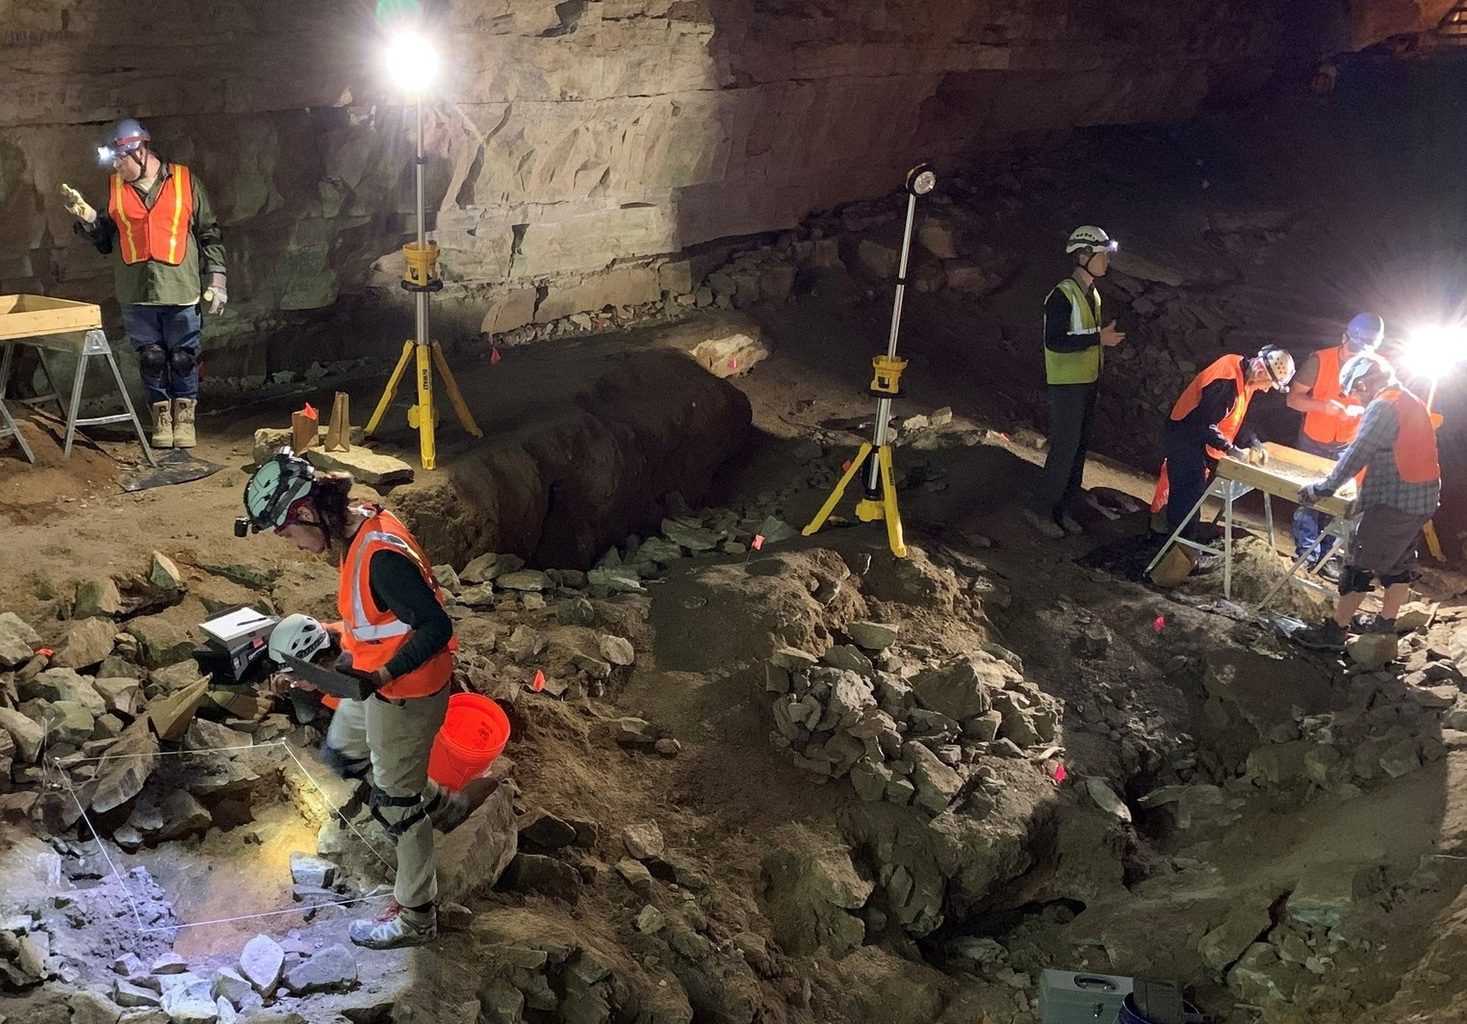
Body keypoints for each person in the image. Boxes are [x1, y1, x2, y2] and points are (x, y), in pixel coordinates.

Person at [241, 453, 487, 949]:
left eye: (287, 533)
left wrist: (382, 675)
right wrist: (329, 646)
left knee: (395, 804)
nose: (289, 545)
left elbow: (437, 627)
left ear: (307, 513)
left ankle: (417, 916)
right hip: (375, 682)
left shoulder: (382, 558)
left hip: (406, 694)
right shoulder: (359, 531)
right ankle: (441, 806)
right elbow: (373, 624)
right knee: (343, 751)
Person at [62, 118, 226, 449]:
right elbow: (108, 241)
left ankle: (186, 418)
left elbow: (208, 232)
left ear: (140, 151)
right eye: (115, 160)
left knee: (182, 356)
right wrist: (90, 220)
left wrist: (218, 280)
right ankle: (161, 419)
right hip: (136, 292)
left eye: (121, 159)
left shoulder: (184, 181)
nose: (118, 166)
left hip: (180, 288)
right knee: (151, 357)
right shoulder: (115, 190)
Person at [1292, 352, 1440, 651]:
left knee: (1359, 563)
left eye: (1354, 393)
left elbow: (1358, 453)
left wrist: (1324, 488)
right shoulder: (1407, 398)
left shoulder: (1384, 405)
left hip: (1395, 502)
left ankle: (1335, 631)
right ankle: (1384, 624)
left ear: (1362, 384)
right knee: (1397, 563)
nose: (1355, 401)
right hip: (1421, 499)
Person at [1024, 226, 1126, 539]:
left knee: (1078, 448)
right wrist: (1098, 338)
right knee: (1065, 448)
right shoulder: (1061, 296)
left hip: (1086, 382)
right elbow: (1055, 340)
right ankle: (1041, 509)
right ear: (1083, 256)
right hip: (1066, 384)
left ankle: (1064, 508)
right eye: (1102, 254)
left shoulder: (1091, 294)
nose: (1106, 260)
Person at [1151, 346, 1297, 546]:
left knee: (1189, 497)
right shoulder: (1226, 383)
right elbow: (1205, 425)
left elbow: (1234, 418)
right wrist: (1232, 450)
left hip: (1196, 439)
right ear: (1261, 371)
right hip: (1185, 437)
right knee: (1188, 499)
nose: (1266, 389)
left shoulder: (1243, 374)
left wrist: (1253, 442)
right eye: (1269, 384)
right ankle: (1178, 551)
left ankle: (1170, 534)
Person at [1285, 313, 1385, 581]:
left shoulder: (1379, 369)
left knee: (1338, 502)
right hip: (1313, 439)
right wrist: (1323, 407)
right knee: (1308, 497)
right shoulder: (1320, 361)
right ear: (1344, 338)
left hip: (1347, 444)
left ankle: (1327, 557)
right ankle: (1306, 553)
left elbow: (1383, 406)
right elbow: (1293, 400)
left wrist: (1358, 410)